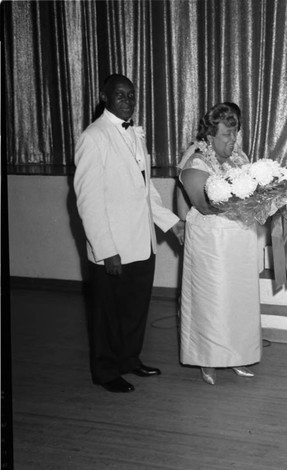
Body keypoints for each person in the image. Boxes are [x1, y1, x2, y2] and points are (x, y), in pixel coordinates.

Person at [74, 74, 185, 393]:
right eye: (120, 95)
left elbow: (144, 189)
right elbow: (88, 201)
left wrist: (171, 222)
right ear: (104, 97)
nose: (127, 100)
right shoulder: (93, 137)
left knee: (135, 308)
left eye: (131, 95)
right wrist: (106, 249)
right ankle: (106, 371)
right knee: (108, 314)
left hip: (141, 242)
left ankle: (129, 359)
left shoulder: (134, 133)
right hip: (114, 246)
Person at [178, 102, 261, 385]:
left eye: (235, 134)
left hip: (239, 243)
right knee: (211, 302)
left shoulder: (240, 157)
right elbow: (203, 206)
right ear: (210, 135)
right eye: (226, 134)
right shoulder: (196, 161)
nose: (232, 140)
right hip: (210, 244)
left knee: (238, 300)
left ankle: (236, 355)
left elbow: (253, 191)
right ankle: (207, 360)